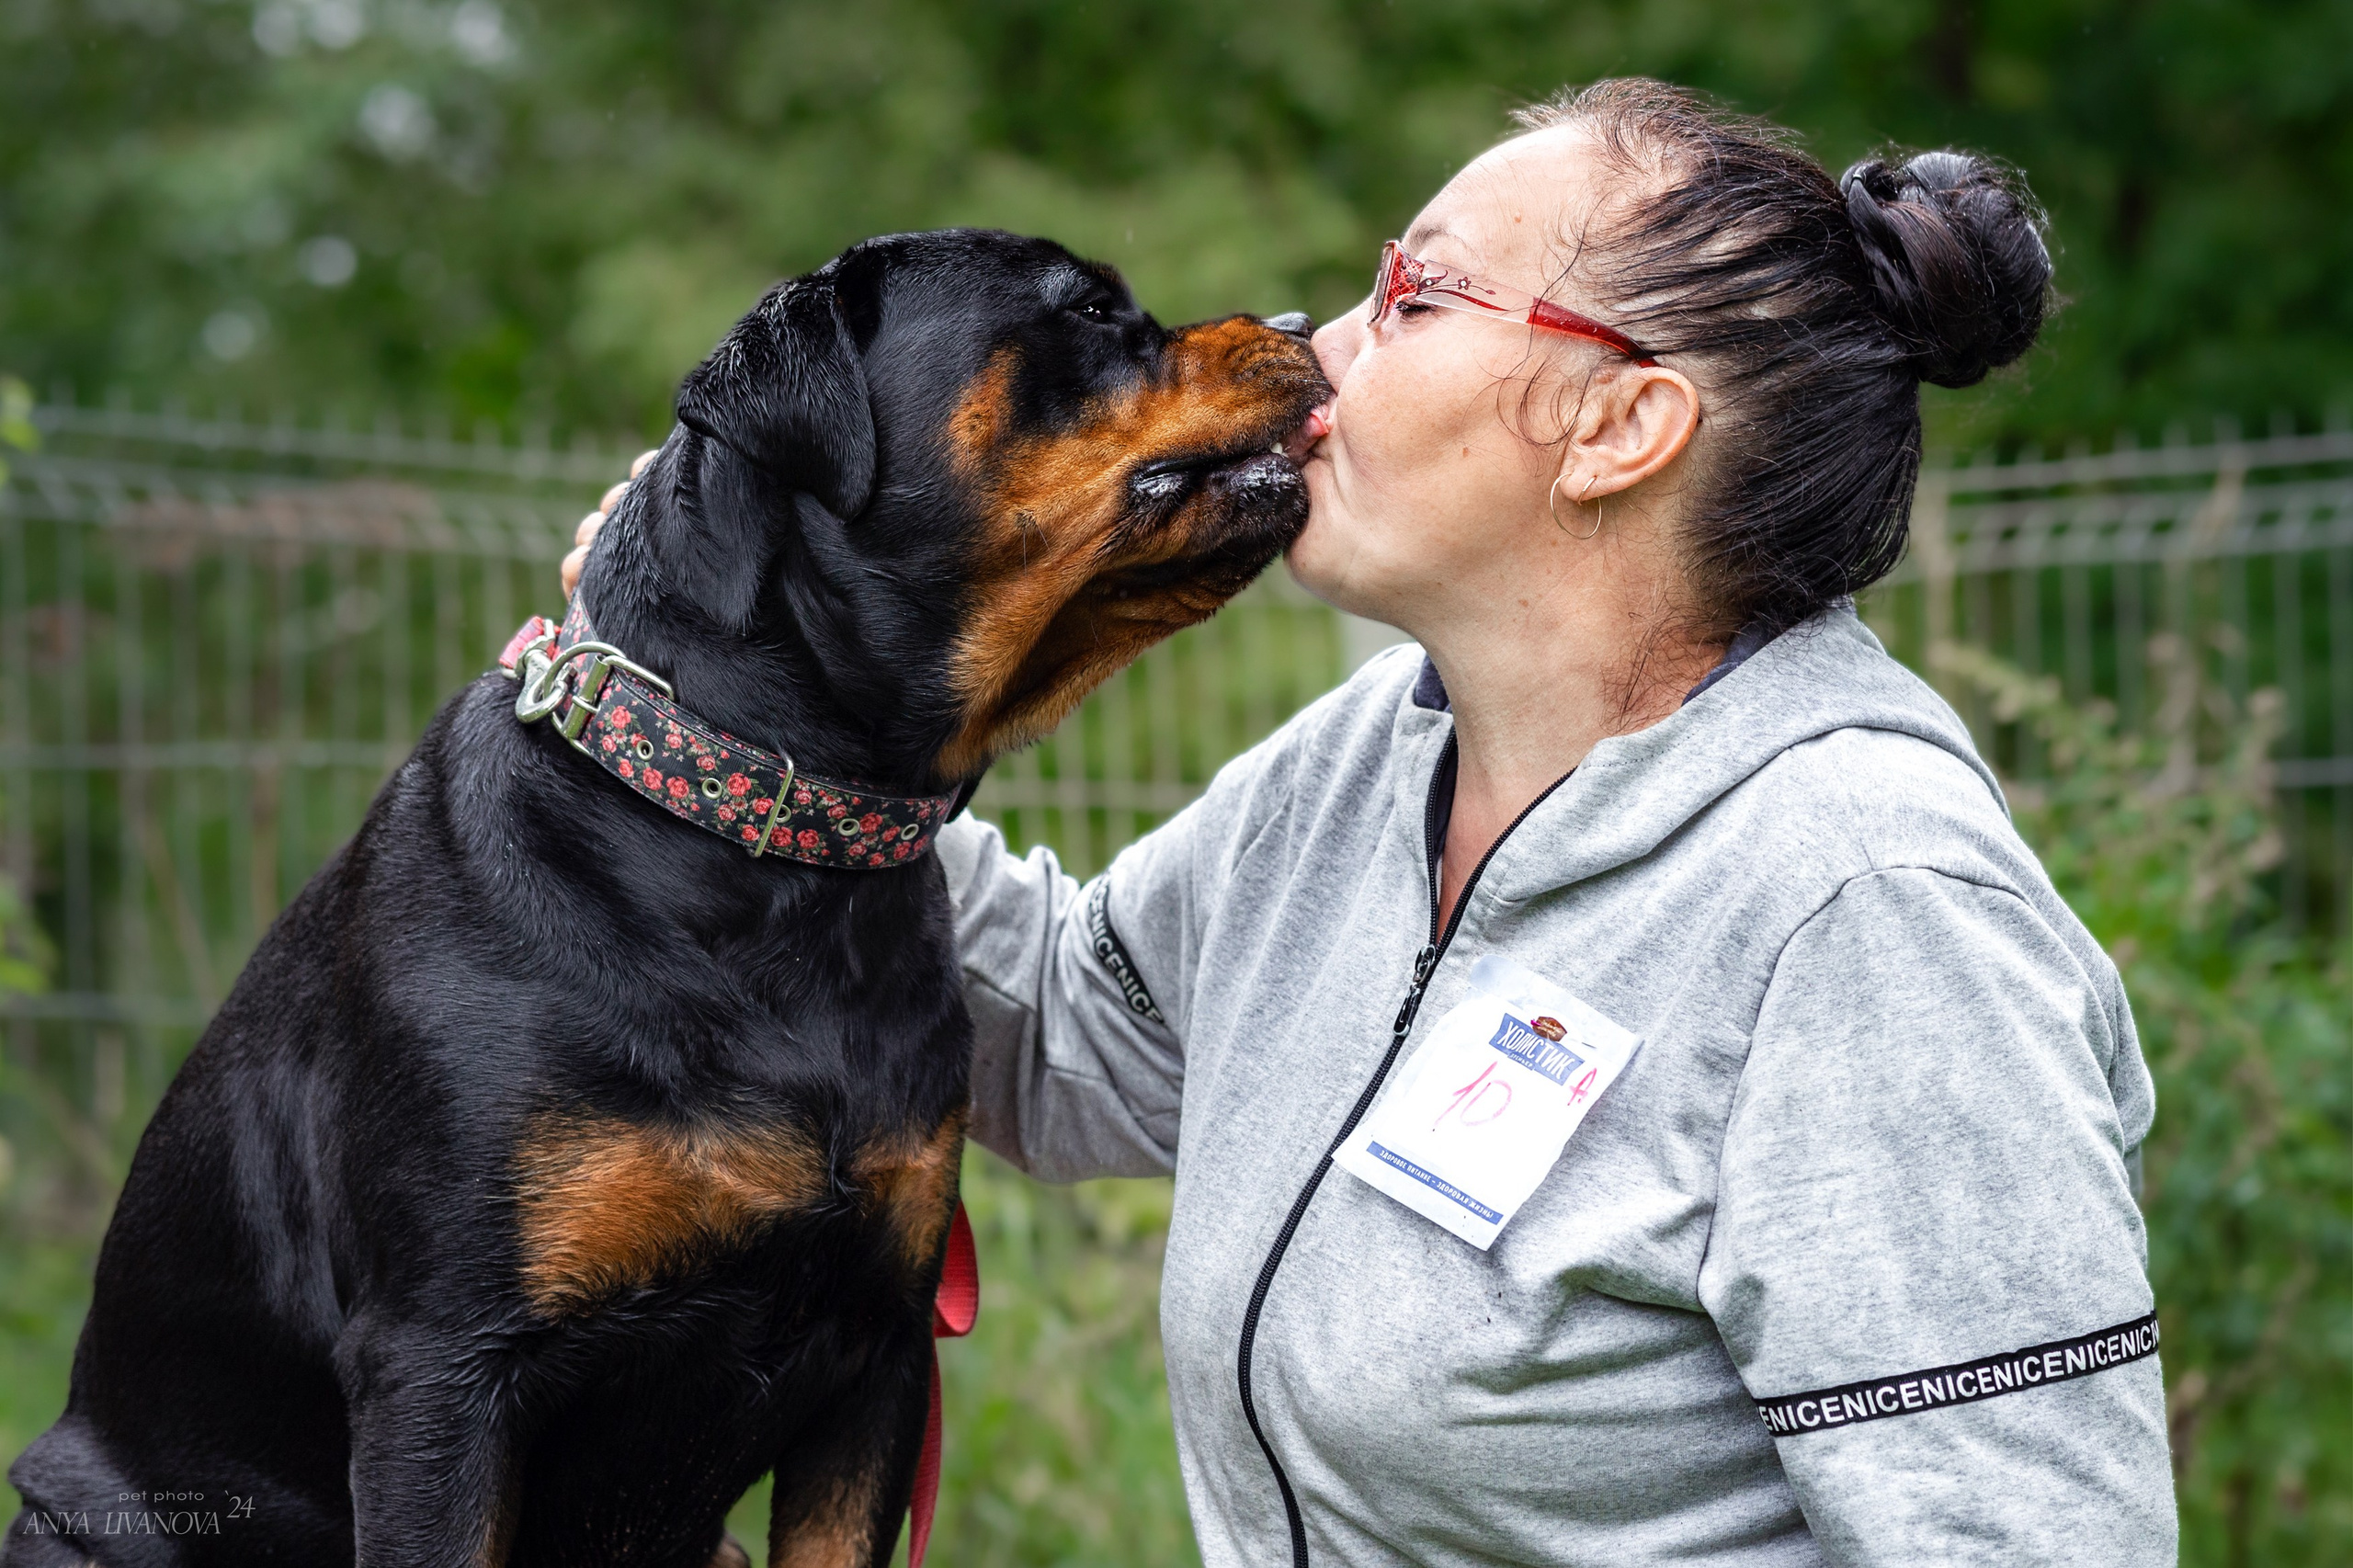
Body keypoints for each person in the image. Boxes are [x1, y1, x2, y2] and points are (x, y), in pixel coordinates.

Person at [567, 78, 2173, 1568]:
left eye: (1415, 298)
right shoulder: (1367, 765)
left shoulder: (1873, 914)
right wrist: (755, 725)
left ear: (1623, 426)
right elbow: (1059, 1035)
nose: (1320, 344)